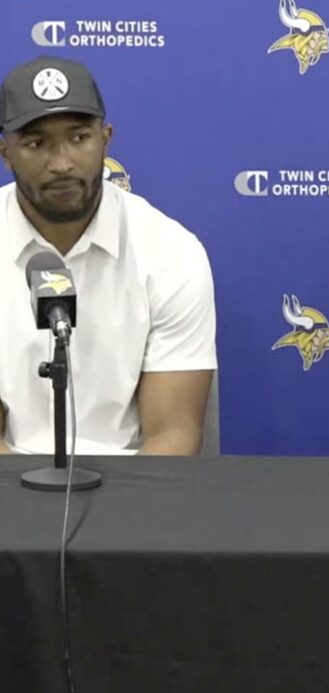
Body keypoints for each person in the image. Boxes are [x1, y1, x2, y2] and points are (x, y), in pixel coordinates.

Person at [0, 57, 217, 455]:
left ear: (106, 139)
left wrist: (125, 518)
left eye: (79, 138)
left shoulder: (170, 252)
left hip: (134, 492)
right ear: (6, 152)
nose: (62, 163)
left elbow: (172, 438)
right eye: (36, 143)